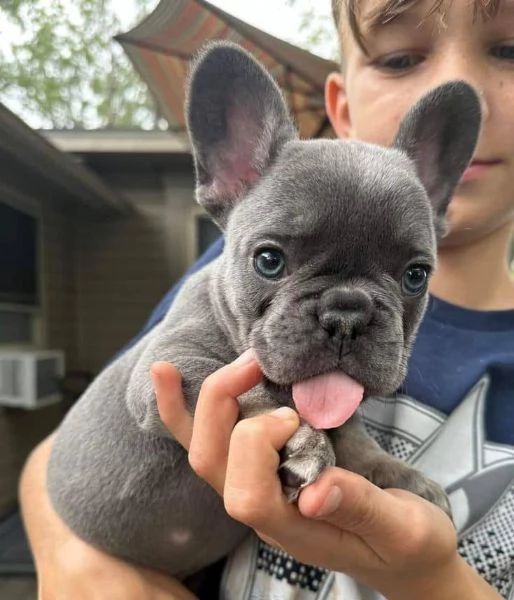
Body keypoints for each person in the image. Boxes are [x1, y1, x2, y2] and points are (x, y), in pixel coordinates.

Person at [19, 0, 514, 598]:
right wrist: (76, 562)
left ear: (436, 201)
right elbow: (152, 392)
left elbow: (333, 419)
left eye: (409, 277)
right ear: (231, 179)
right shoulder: (215, 284)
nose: (344, 320)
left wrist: (432, 576)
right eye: (273, 261)